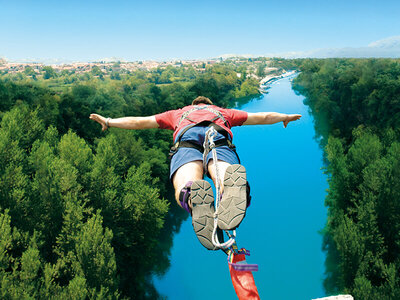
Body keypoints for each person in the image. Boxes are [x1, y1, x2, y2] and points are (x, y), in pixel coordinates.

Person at [89, 96, 301, 250]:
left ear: (192, 105)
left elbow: (140, 121)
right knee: (224, 172)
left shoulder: (177, 114)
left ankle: (191, 196)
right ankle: (231, 186)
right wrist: (285, 116)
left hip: (186, 138)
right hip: (217, 134)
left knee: (186, 183)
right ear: (209, 104)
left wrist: (108, 121)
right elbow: (262, 116)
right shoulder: (223, 112)